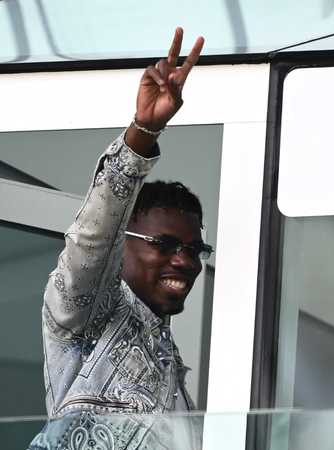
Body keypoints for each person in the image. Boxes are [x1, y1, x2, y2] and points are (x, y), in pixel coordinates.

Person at [28, 28, 208, 449]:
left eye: (194, 249)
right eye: (164, 245)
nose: (184, 261)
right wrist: (142, 133)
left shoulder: (175, 377)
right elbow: (93, 239)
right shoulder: (90, 315)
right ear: (122, 244)